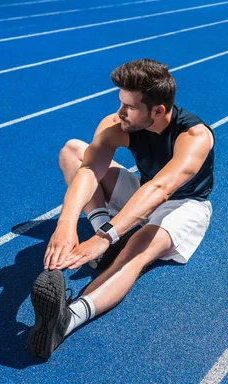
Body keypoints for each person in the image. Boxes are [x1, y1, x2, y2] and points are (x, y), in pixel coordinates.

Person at [27, 59, 215, 360]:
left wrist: (103, 237)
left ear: (157, 111)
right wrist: (66, 224)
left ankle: (67, 319)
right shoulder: (118, 124)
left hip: (185, 204)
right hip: (142, 189)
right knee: (74, 151)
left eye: (129, 106)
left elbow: (160, 190)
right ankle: (102, 250)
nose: (120, 112)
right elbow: (89, 171)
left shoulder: (194, 137)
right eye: (120, 102)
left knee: (137, 250)